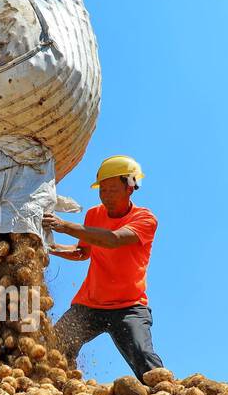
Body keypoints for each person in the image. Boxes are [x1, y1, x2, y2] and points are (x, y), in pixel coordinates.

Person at [42, 155, 165, 380]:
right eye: (102, 190)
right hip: (90, 305)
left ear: (130, 187)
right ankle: (61, 391)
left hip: (128, 307)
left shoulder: (145, 219)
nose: (105, 196)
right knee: (54, 347)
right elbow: (82, 252)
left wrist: (65, 226)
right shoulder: (94, 215)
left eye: (112, 190)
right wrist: (49, 248)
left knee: (143, 356)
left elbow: (114, 239)